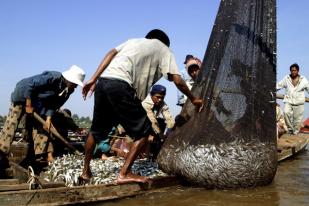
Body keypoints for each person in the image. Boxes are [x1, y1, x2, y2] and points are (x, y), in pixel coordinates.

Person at [80, 29, 203, 184]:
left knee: (96, 130)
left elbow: (111, 52)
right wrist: (194, 99)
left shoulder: (132, 41)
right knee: (144, 131)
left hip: (103, 82)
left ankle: (85, 172)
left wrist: (93, 78)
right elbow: (177, 79)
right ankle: (124, 174)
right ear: (164, 42)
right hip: (121, 85)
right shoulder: (164, 49)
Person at [0, 65, 85, 168]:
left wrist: (48, 119)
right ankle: (2, 154)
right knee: (12, 125)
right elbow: (30, 85)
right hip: (22, 96)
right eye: (75, 84)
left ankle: (39, 156)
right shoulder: (53, 77)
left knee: (43, 127)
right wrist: (28, 104)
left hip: (39, 103)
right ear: (69, 80)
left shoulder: (68, 91)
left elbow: (54, 105)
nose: (76, 87)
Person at [142, 84, 175, 159]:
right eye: (157, 97)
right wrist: (162, 136)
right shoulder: (145, 104)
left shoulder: (162, 103)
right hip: (139, 123)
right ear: (151, 95)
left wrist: (171, 131)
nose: (160, 99)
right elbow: (153, 122)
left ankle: (151, 154)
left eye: (162, 97)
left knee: (161, 122)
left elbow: (169, 118)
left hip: (151, 124)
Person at [277, 63, 309, 135]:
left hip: (299, 102)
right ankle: (290, 129)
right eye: (291, 70)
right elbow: (279, 85)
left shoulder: (303, 80)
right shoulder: (287, 78)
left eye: (294, 70)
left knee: (297, 120)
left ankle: (295, 132)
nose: (293, 72)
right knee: (286, 112)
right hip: (288, 100)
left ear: (298, 71)